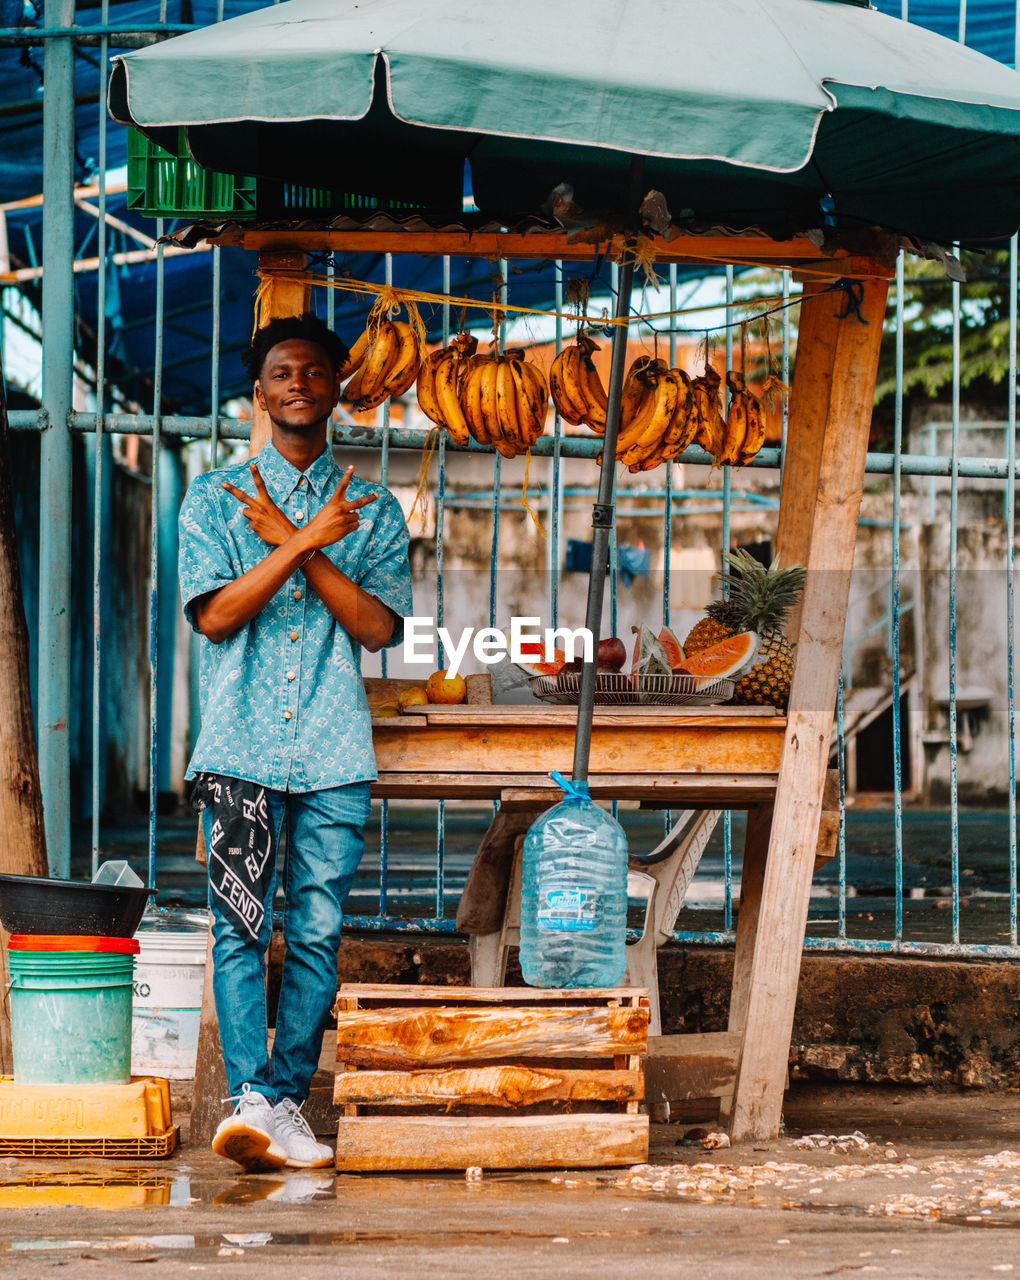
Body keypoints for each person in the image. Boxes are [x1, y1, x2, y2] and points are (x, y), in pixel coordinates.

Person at [178, 312, 412, 1171]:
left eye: (315, 371)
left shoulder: (374, 506)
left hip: (333, 752)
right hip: (239, 748)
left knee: (316, 933)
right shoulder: (211, 498)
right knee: (240, 929)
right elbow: (216, 617)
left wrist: (307, 548)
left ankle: (284, 1102)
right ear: (260, 391)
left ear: (336, 386)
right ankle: (248, 1099)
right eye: (283, 372)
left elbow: (379, 629)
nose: (300, 385)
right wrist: (304, 542)